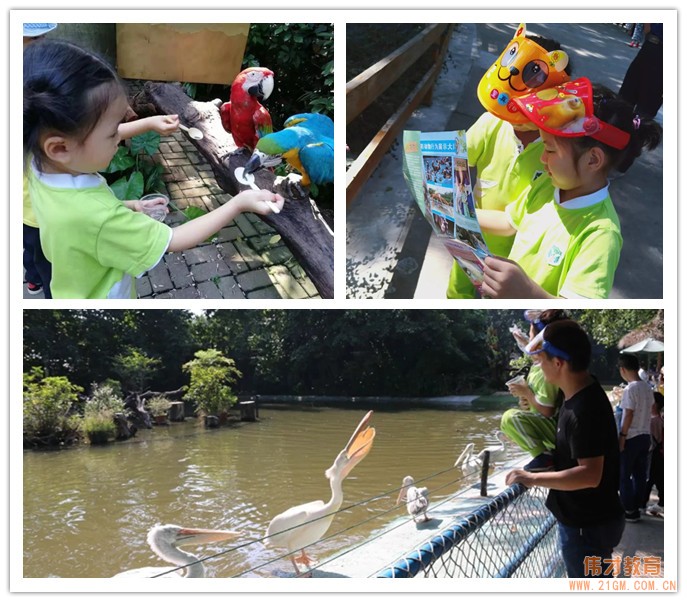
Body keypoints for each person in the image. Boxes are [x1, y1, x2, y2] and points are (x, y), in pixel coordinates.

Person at [24, 39, 283, 299]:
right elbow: (173, 239)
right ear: (60, 148)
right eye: (112, 133)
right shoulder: (99, 218)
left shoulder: (37, 164)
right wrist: (239, 203)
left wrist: (132, 205)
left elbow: (85, 211)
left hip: (65, 286)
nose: (120, 138)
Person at [476, 77, 662, 299]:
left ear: (593, 159)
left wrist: (525, 292)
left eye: (551, 150)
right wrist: (454, 214)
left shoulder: (600, 234)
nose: (543, 159)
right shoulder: (547, 184)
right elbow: (509, 222)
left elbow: (575, 305)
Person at [448, 27, 573, 299]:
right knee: (459, 292)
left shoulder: (556, 148)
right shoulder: (493, 121)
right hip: (472, 236)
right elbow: (457, 156)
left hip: (519, 252)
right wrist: (454, 196)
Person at [505, 320, 624, 579]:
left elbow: (589, 475)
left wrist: (531, 478)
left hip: (586, 527)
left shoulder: (583, 410)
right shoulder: (580, 391)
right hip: (589, 521)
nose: (538, 367)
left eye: (541, 362)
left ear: (558, 364)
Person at [502, 309, 569, 472]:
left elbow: (547, 410)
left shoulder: (546, 371)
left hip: (554, 430)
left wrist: (526, 393)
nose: (528, 341)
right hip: (554, 429)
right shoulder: (541, 366)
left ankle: (542, 457)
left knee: (509, 418)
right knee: (513, 420)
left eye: (531, 336)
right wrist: (526, 399)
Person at [22, 23, 58, 296]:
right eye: (34, 38)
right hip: (37, 210)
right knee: (44, 258)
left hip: (26, 207)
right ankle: (44, 289)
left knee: (31, 249)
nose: (41, 43)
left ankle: (32, 279)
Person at [617, 354, 654, 522]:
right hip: (645, 435)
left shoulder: (630, 389)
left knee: (623, 475)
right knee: (640, 474)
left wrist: (622, 436)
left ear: (623, 369)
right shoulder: (647, 387)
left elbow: (629, 413)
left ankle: (629, 509)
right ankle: (638, 505)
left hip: (631, 436)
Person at [619, 24, 663, 120]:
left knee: (646, 107)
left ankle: (636, 129)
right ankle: (619, 126)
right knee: (626, 95)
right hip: (651, 45)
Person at [643, 391, 664, 516]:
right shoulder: (660, 418)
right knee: (657, 479)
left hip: (654, 454)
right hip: (659, 454)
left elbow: (653, 439)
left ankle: (642, 503)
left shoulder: (653, 421)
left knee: (650, 479)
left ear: (654, 404)